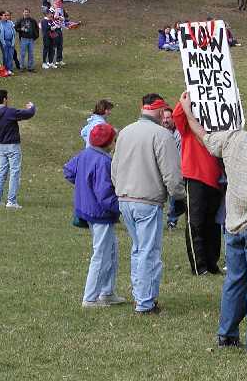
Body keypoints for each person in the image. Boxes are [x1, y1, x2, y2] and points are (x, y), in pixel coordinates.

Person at [179, 92, 247, 355]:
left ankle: (226, 334)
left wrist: (187, 109)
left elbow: (203, 136)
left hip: (233, 223)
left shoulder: (231, 138)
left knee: (235, 281)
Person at [111, 94, 185, 314]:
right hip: (147, 200)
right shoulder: (162, 135)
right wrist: (180, 195)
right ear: (161, 111)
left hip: (124, 198)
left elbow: (114, 168)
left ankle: (140, 295)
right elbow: (172, 174)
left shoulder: (124, 132)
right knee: (148, 252)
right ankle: (145, 301)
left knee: (138, 249)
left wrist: (120, 189)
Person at [64, 123, 126, 308]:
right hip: (100, 214)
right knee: (101, 254)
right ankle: (90, 298)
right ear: (109, 143)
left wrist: (84, 185)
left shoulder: (85, 154)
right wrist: (122, 206)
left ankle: (107, 292)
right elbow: (105, 194)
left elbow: (68, 171)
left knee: (111, 250)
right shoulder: (104, 161)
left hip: (90, 211)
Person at [172, 100, 223, 275]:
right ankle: (199, 266)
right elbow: (177, 114)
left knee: (213, 224)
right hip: (195, 177)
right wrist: (189, 96)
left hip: (217, 179)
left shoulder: (219, 124)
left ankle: (211, 263)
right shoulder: (187, 124)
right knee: (196, 223)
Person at [0, 89, 36, 209]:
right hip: (13, 146)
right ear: (4, 99)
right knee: (14, 173)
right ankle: (11, 201)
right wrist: (32, 107)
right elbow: (27, 114)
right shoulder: (9, 112)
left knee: (1, 173)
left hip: (1, 147)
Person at [161, 107, 182, 230]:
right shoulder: (158, 132)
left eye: (168, 117)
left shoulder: (179, 134)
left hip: (175, 169)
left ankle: (172, 220)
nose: (165, 120)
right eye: (163, 117)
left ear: (173, 119)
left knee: (174, 196)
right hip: (160, 169)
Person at [14, 8, 39, 72]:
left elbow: (36, 28)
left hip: (31, 39)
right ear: (23, 13)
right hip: (23, 39)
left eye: (27, 12)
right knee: (22, 54)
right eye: (25, 12)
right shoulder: (20, 20)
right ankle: (21, 67)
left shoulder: (32, 20)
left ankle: (30, 67)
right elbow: (15, 28)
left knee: (31, 53)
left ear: (29, 13)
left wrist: (35, 36)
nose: (26, 13)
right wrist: (21, 29)